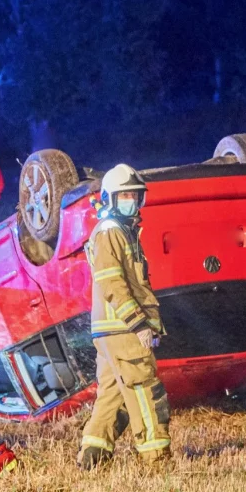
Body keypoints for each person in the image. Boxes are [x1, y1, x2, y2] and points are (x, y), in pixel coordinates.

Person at [77, 164, 170, 470]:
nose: (132, 201)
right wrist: (139, 324)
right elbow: (113, 284)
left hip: (111, 333)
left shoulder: (121, 232)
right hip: (123, 331)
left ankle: (93, 454)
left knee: (113, 395)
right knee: (145, 389)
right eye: (125, 195)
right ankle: (156, 456)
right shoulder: (111, 233)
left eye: (135, 195)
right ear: (110, 199)